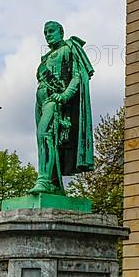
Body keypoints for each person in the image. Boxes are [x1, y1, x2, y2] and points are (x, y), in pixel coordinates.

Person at [29, 21, 94, 195]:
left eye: (51, 31)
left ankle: (43, 180)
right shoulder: (47, 56)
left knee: (45, 135)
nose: (48, 35)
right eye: (45, 32)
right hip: (40, 99)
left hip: (54, 98)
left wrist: (64, 95)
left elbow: (78, 76)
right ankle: (54, 183)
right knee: (43, 140)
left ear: (61, 32)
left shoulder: (69, 48)